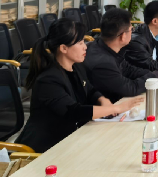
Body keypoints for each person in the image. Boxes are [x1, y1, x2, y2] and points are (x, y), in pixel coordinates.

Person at [15, 19, 143, 152]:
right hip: (45, 147)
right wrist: (116, 108)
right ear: (64, 48)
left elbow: (89, 90)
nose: (85, 47)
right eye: (80, 43)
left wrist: (102, 100)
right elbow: (74, 112)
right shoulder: (48, 80)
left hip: (71, 139)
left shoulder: (76, 67)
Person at [83, 8, 158, 103]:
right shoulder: (103, 62)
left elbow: (129, 70)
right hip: (108, 107)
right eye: (131, 29)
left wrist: (157, 74)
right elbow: (130, 88)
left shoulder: (103, 45)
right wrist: (155, 76)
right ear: (123, 36)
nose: (133, 32)